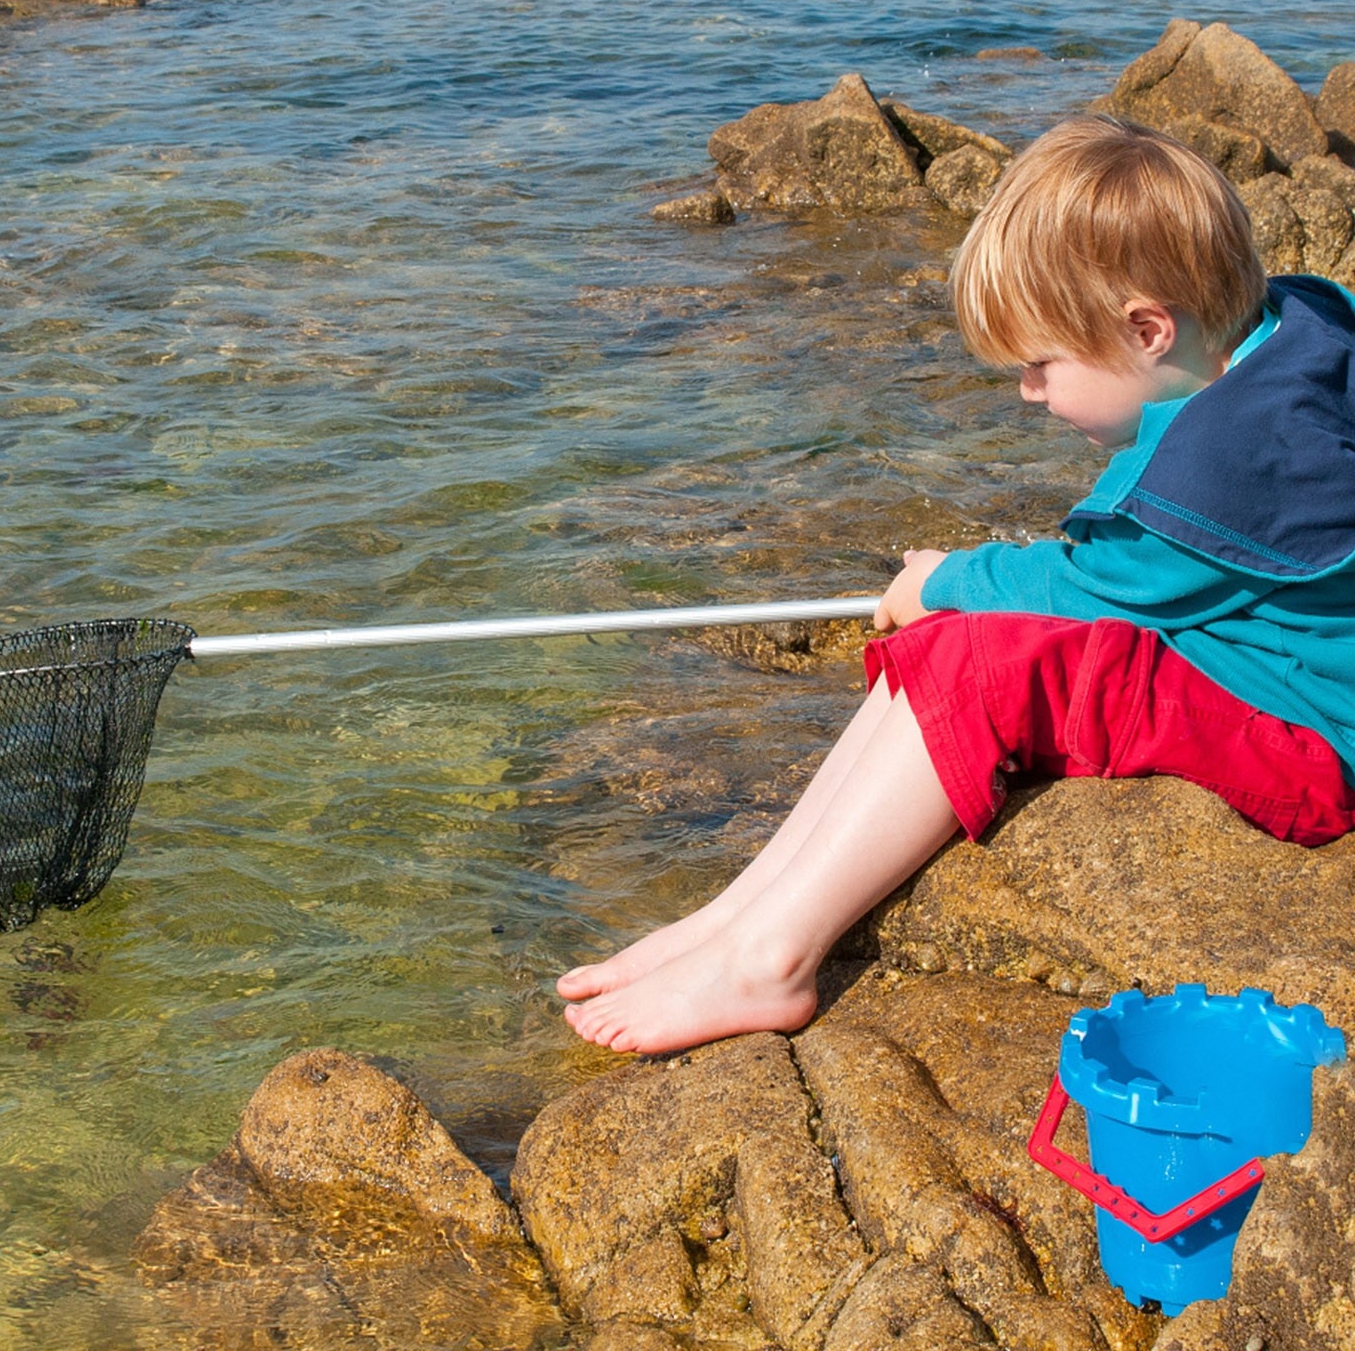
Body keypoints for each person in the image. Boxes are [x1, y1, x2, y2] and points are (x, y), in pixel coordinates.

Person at [559, 115, 1355, 1055]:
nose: (1026, 390)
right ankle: (734, 918)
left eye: (1042, 364)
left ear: (1149, 330)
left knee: (986, 666)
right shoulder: (1299, 320)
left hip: (1309, 738)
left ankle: (771, 962)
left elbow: (1089, 584)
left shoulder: (1228, 468)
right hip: (1267, 652)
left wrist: (948, 579)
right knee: (953, 645)